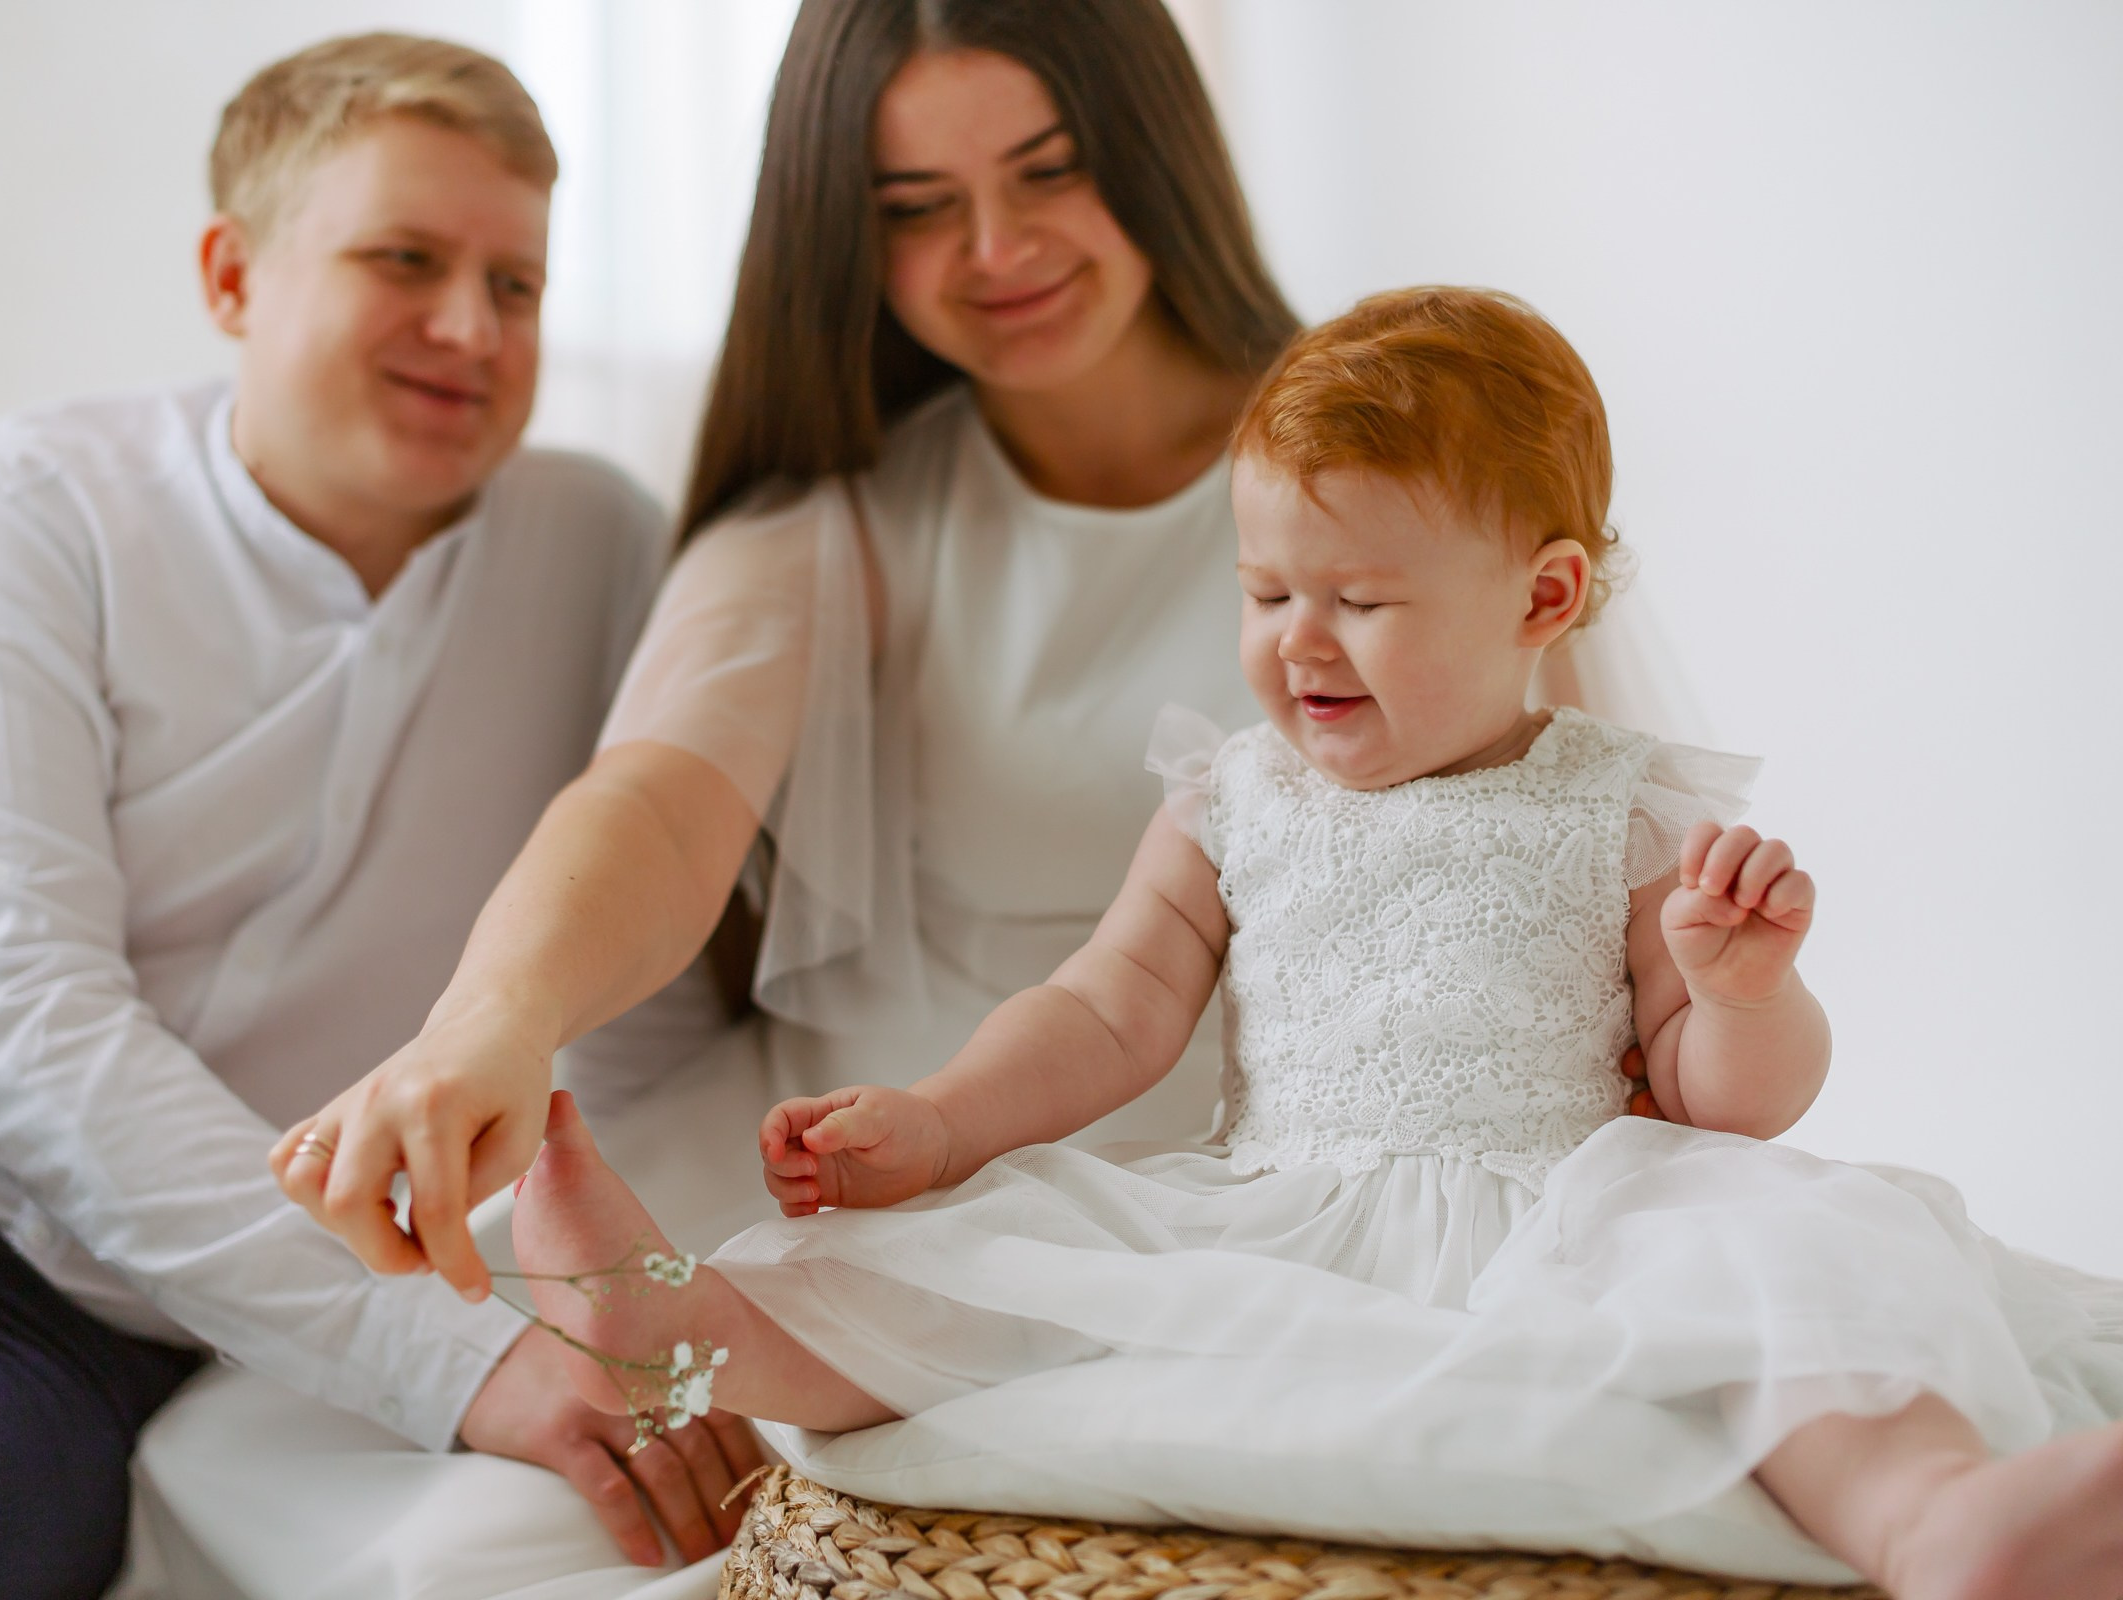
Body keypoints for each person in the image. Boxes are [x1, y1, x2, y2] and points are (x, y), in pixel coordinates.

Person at [503, 288, 2123, 1599]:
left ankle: (1936, 1522)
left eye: (1358, 597)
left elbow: (1726, 1106)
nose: (1297, 644)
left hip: (1573, 1207)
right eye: (1265, 591)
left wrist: (1740, 990)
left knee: (1787, 1271)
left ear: (1544, 599)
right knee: (983, 1272)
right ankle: (679, 1316)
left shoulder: (1620, 808)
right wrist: (940, 1124)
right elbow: (1110, 1006)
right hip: (1280, 1203)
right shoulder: (1231, 799)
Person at [281, 0, 1656, 1303]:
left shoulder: (1433, 479)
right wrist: (495, 1019)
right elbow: (656, 803)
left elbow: (1554, 844)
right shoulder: (833, 525)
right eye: (916, 209)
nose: (995, 250)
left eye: (1047, 173)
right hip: (881, 1176)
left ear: (1154, 150)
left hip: (1308, 1210)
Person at [0, 34, 761, 1600]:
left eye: (520, 286)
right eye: (404, 259)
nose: (470, 328)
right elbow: (16, 1012)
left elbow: (647, 976)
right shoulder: (19, 510)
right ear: (232, 276)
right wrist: (453, 1361)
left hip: (51, 1328)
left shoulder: (608, 556)